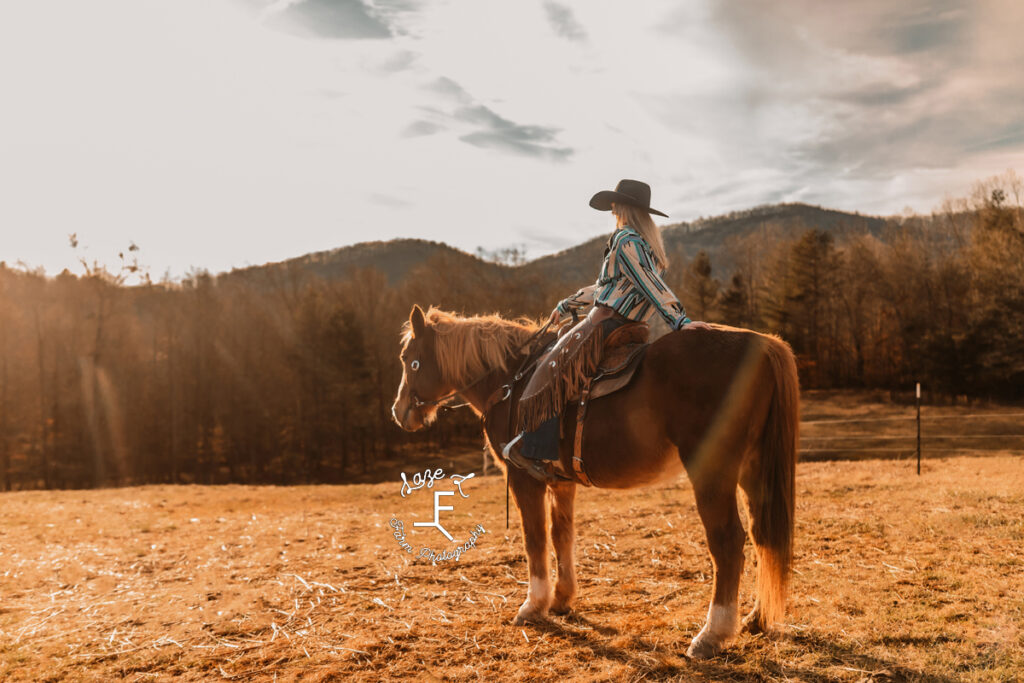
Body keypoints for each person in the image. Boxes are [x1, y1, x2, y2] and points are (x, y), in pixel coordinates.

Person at [504, 179, 709, 479]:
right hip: (631, 324)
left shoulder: (625, 240)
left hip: (606, 322)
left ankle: (535, 450)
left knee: (553, 368)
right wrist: (567, 304)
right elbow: (607, 287)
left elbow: (648, 284)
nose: (613, 209)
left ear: (622, 207)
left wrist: (680, 320)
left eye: (615, 204)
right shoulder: (645, 245)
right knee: (559, 363)